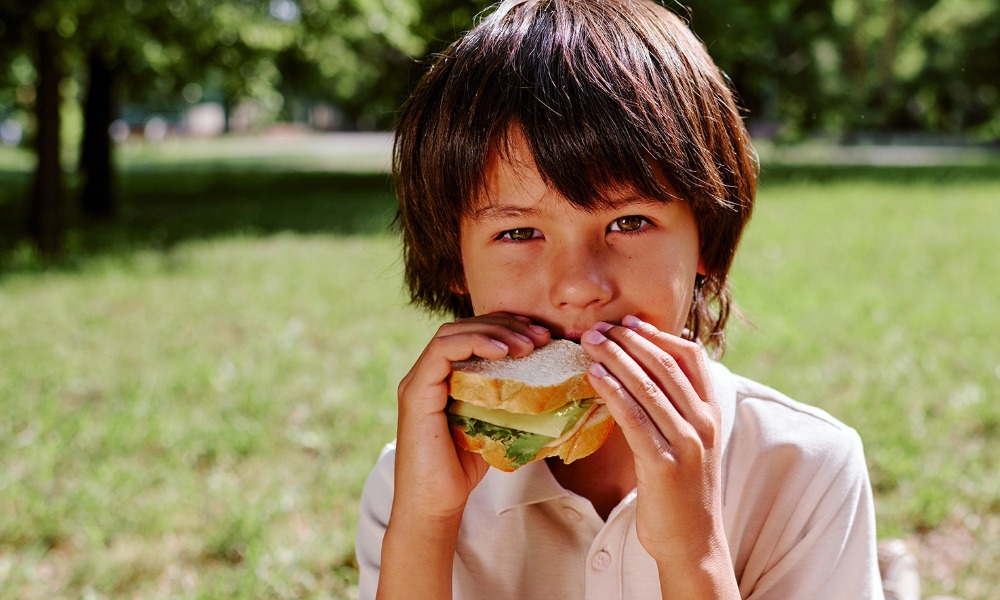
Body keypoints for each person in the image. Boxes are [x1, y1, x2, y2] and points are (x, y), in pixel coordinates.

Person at [356, 0, 885, 598]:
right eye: (520, 233)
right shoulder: (414, 484)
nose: (579, 286)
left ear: (708, 239)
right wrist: (426, 523)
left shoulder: (806, 468)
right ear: (454, 261)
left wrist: (693, 552)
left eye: (629, 223)